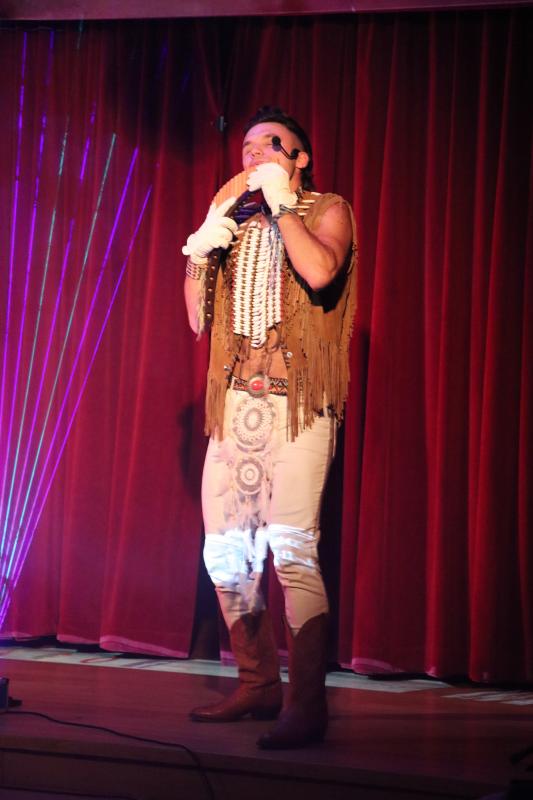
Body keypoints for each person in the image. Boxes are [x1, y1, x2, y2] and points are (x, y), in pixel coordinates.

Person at [182, 106, 357, 749]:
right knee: (224, 552)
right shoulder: (233, 224)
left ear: (300, 158)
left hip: (300, 405)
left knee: (292, 549)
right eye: (247, 146)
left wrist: (283, 205)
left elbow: (320, 271)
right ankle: (257, 683)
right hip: (236, 406)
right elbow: (196, 319)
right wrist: (202, 246)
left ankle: (307, 703)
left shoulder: (327, 209)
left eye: (270, 144)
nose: (253, 154)